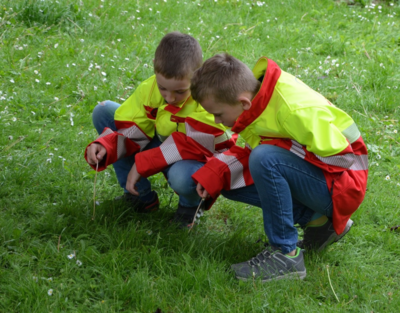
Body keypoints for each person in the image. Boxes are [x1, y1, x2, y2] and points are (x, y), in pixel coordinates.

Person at [185, 53, 369, 282]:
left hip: (344, 184)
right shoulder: (257, 103)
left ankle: (286, 256)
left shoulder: (291, 110)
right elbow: (256, 150)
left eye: (218, 114)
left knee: (265, 158)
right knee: (231, 178)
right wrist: (216, 172)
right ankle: (319, 222)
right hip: (325, 180)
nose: (216, 121)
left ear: (243, 102)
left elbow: (342, 159)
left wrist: (280, 148)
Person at [84, 32, 236, 228]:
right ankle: (140, 198)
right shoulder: (148, 90)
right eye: (163, 88)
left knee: (181, 176)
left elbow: (191, 146)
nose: (170, 97)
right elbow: (134, 128)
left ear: (198, 74)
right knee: (104, 111)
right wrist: (106, 144)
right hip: (164, 141)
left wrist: (143, 163)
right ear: (155, 66)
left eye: (180, 91)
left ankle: (189, 209)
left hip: (197, 156)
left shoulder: (207, 100)